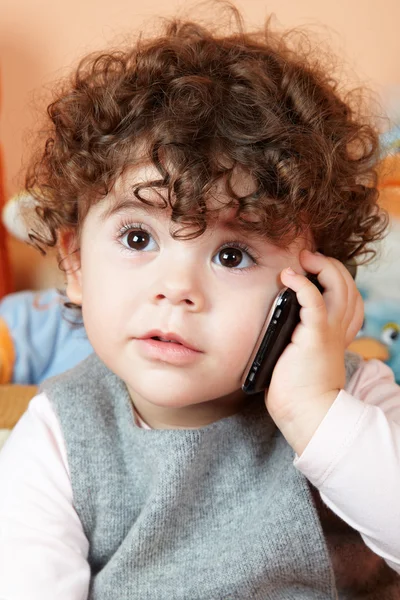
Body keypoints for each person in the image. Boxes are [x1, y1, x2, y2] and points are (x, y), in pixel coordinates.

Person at [0, 5, 399, 599]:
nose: (177, 289)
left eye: (232, 255)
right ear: (75, 263)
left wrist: (313, 411)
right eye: (139, 238)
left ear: (310, 285)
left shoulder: (350, 401)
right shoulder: (59, 435)